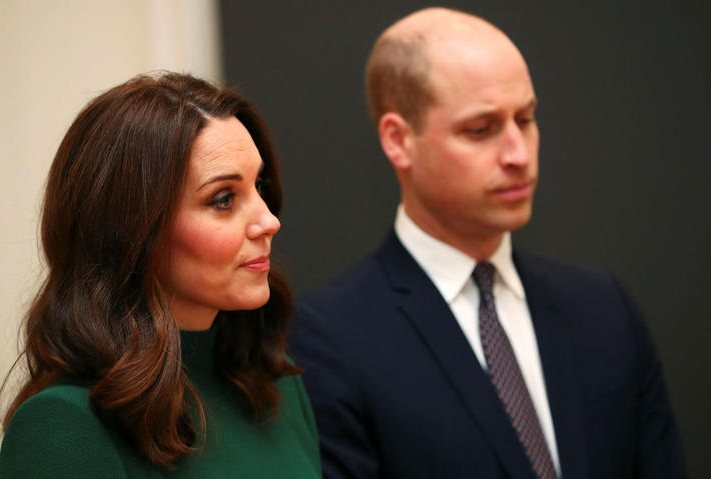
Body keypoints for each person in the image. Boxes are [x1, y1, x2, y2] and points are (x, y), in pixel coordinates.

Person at [291, 8, 686, 479]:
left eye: (526, 118)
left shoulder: (604, 309)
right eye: (480, 129)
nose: (519, 154)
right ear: (398, 140)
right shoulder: (329, 338)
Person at [0, 72, 321, 478]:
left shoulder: (273, 383)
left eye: (260, 185)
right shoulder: (63, 427)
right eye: (224, 199)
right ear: (133, 230)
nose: (269, 221)